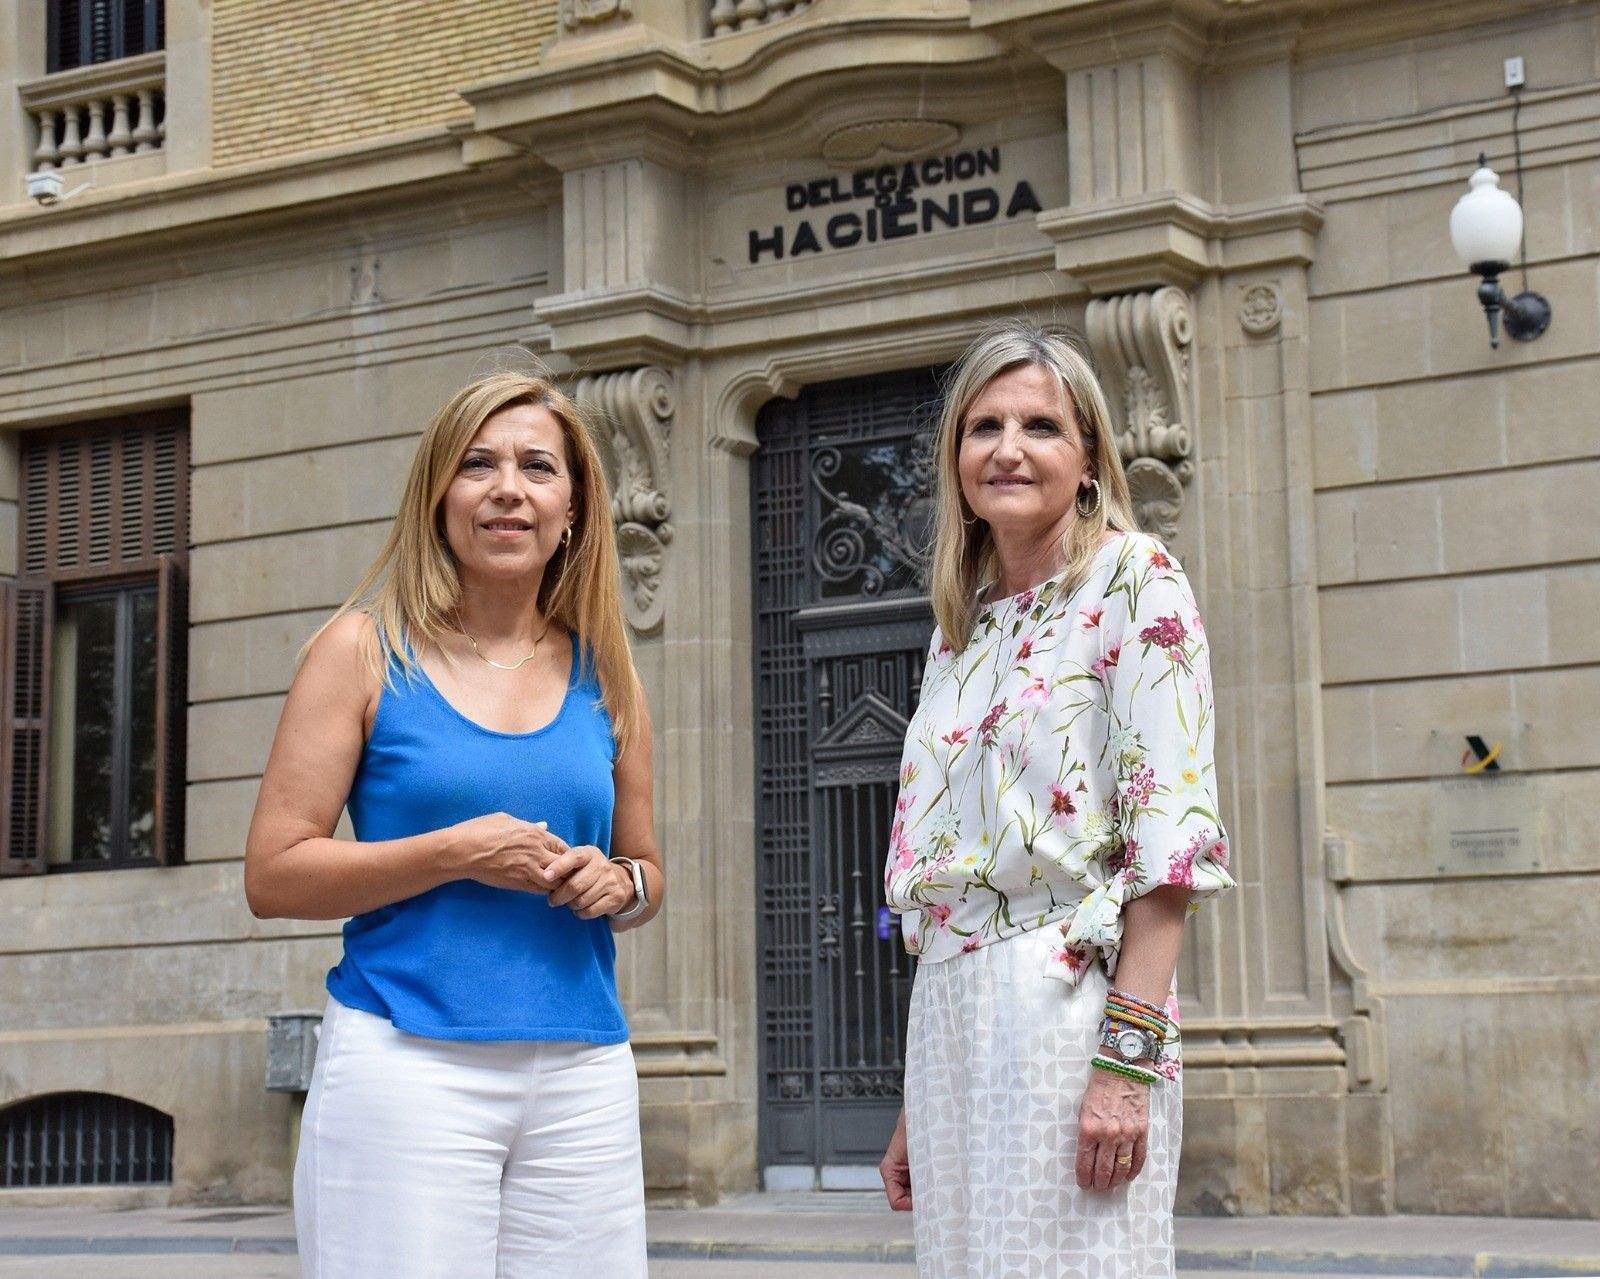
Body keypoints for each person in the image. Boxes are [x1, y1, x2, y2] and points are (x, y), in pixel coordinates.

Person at [244, 370, 663, 1278]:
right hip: (406, 1060)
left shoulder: (609, 672)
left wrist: (620, 883)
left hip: (581, 1072)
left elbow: (647, 869)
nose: (508, 486)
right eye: (478, 464)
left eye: (537, 467)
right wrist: (456, 851)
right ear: (439, 497)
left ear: (573, 507)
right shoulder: (360, 649)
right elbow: (273, 874)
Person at [877, 321, 1235, 1278]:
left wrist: (1125, 1065)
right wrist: (918, 1097)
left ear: (1087, 459)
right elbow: (950, 868)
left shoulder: (1135, 579)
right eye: (983, 425)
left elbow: (1169, 847)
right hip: (949, 1012)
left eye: (1040, 424)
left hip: (1069, 1000)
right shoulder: (962, 627)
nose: (1007, 447)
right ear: (956, 460)